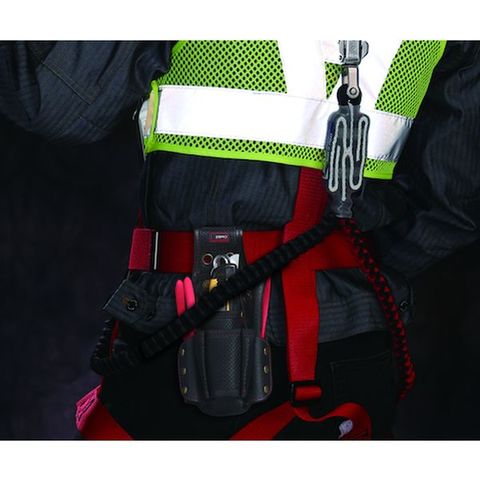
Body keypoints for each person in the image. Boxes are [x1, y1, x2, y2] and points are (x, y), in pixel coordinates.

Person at [1, 40, 480, 440]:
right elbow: (453, 200)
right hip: (353, 342)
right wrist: (344, 279)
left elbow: (50, 99)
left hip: (197, 340)